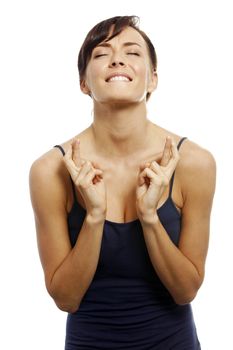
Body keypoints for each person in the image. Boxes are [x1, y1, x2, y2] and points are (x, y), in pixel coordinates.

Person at [29, 15, 216, 349]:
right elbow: (66, 299)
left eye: (132, 52)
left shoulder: (194, 163)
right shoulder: (50, 171)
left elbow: (185, 290)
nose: (117, 59)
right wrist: (94, 216)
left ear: (153, 79)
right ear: (84, 82)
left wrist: (149, 217)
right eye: (101, 54)